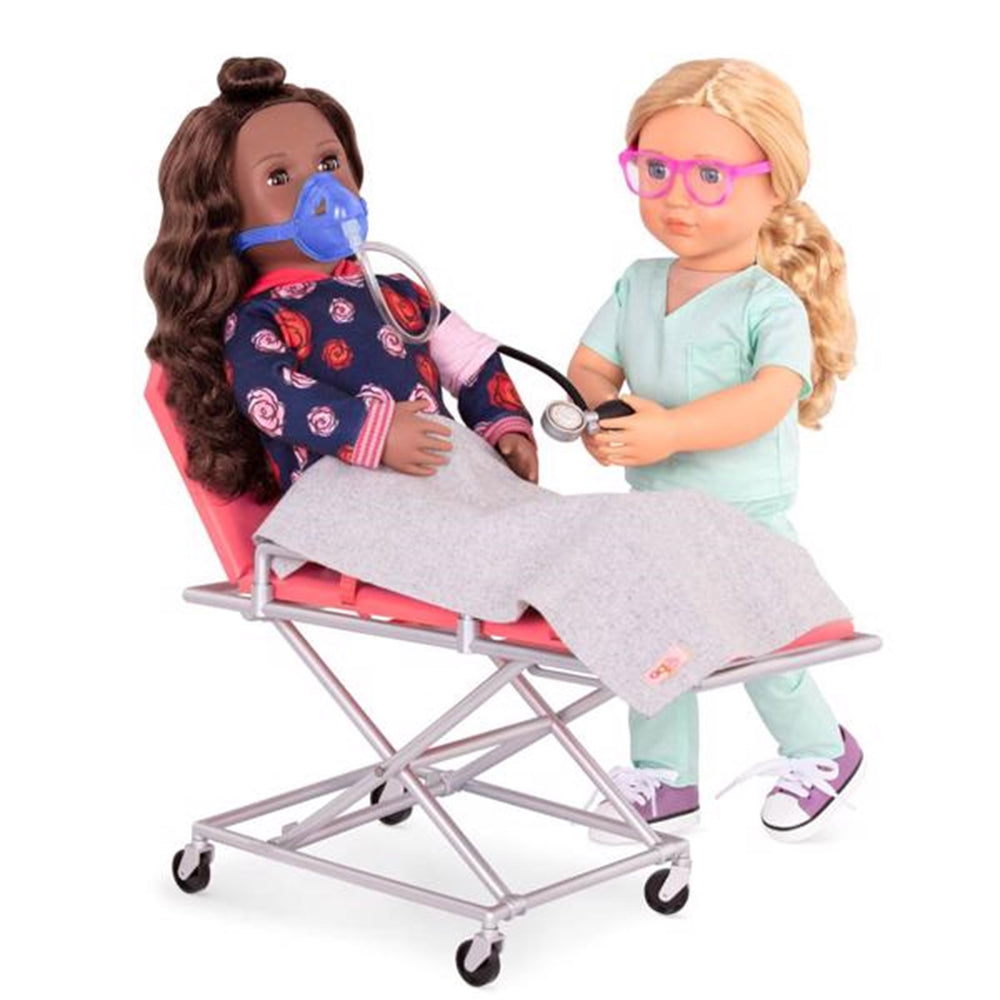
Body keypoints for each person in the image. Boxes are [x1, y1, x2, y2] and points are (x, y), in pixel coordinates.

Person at [569, 59, 862, 843]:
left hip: (742, 519)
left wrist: (669, 431)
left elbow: (770, 397)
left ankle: (822, 750)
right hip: (656, 515)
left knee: (765, 648)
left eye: (709, 176)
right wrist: (601, 415)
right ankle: (665, 775)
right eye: (655, 170)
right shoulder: (638, 283)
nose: (676, 197)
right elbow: (591, 363)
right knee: (651, 645)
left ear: (775, 187)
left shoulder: (770, 302)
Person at [146, 56, 537, 502]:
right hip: (344, 505)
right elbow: (269, 397)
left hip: (444, 487)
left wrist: (505, 425)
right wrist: (374, 430)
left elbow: (471, 362)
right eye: (278, 176)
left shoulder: (399, 294)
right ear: (224, 212)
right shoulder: (260, 319)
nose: (321, 190)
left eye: (329, 162)